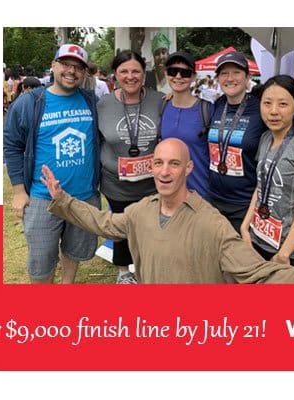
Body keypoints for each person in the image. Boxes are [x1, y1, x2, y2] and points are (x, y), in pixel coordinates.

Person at [39, 139, 294, 284]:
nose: (165, 172)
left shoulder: (211, 223)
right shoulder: (140, 212)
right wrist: (63, 199)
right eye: (159, 163)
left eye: (174, 164)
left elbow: (257, 272)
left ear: (188, 168)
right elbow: (104, 222)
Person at [3, 44, 99, 284]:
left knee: (74, 250)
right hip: (43, 198)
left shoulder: (92, 101)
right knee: (41, 258)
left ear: (85, 72)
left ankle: (67, 286)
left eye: (78, 67)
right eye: (65, 64)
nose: (71, 71)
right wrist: (18, 191)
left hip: (83, 198)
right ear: (54, 65)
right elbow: (12, 145)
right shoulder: (30, 103)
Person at [240, 75, 294, 266]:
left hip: (290, 252)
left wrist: (284, 254)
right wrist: (245, 227)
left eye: (283, 104)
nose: (273, 112)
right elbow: (261, 186)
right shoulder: (264, 139)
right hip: (258, 239)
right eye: (267, 103)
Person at [97, 50, 165, 283]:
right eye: (124, 71)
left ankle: (149, 270)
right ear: (115, 74)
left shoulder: (159, 100)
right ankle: (124, 273)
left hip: (152, 185)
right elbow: (98, 140)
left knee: (151, 230)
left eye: (135, 70)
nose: (130, 76)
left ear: (143, 74)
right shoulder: (103, 105)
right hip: (116, 184)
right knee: (120, 228)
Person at [205, 51, 267, 233]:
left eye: (236, 72)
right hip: (214, 199)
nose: (230, 78)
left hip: (245, 203)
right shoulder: (217, 105)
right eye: (224, 73)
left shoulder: (260, 107)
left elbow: (285, 126)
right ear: (218, 78)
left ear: (248, 77)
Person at [159, 51, 213, 198]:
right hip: (168, 194)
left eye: (185, 73)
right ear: (166, 74)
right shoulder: (162, 106)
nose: (178, 76)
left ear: (194, 77)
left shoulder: (207, 109)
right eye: (173, 71)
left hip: (199, 193)